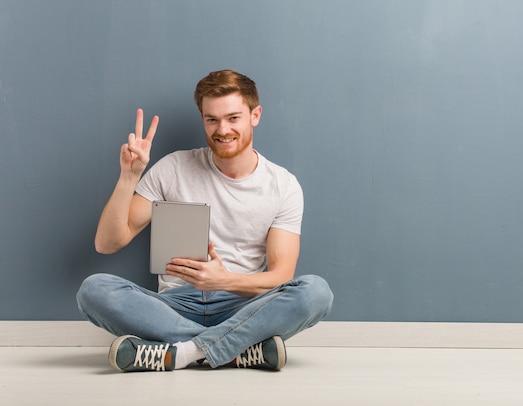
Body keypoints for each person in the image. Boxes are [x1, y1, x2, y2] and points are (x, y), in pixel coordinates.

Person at [76, 69, 334, 372]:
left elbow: (280, 276)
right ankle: (237, 351)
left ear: (255, 115)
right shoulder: (172, 167)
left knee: (316, 292)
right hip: (173, 306)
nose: (222, 130)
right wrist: (128, 177)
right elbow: (107, 242)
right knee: (94, 290)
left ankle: (182, 353)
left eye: (233, 118)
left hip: (242, 306)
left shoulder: (283, 185)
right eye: (212, 119)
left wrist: (223, 280)